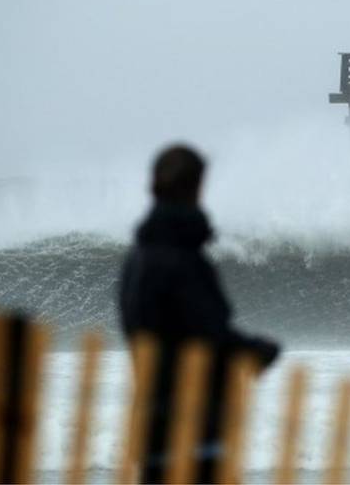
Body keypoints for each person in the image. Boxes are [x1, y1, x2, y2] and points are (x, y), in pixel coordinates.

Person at [118, 144, 280, 483]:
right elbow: (209, 337)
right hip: (193, 432)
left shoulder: (136, 259)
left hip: (153, 429)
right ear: (196, 188)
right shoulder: (180, 259)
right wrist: (258, 351)